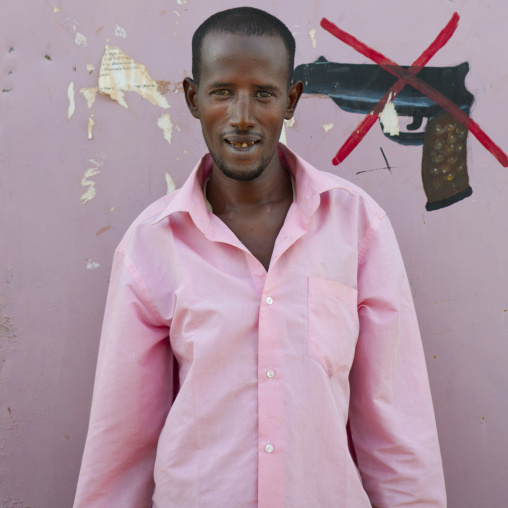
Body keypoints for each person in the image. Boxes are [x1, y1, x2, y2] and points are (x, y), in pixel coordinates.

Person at [73, 7, 446, 508]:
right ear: (192, 98)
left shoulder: (357, 227)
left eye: (264, 94)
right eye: (222, 91)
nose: (242, 116)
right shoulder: (151, 246)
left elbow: (398, 426)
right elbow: (121, 449)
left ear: (291, 100)